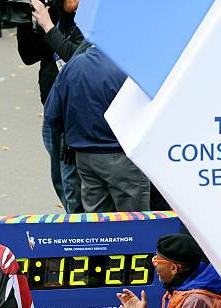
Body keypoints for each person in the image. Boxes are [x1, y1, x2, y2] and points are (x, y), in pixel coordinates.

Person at [45, 45, 150, 213]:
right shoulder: (129, 68)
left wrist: (69, 136)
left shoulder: (73, 66)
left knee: (98, 223)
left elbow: (52, 115)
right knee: (133, 222)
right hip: (122, 156)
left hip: (85, 157)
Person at [17, 0, 84, 213]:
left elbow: (80, 60)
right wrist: (26, 19)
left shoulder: (90, 19)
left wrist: (48, 27)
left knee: (72, 182)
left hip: (79, 113)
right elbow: (29, 55)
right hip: (53, 108)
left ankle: (82, 232)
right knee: (61, 180)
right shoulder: (53, 11)